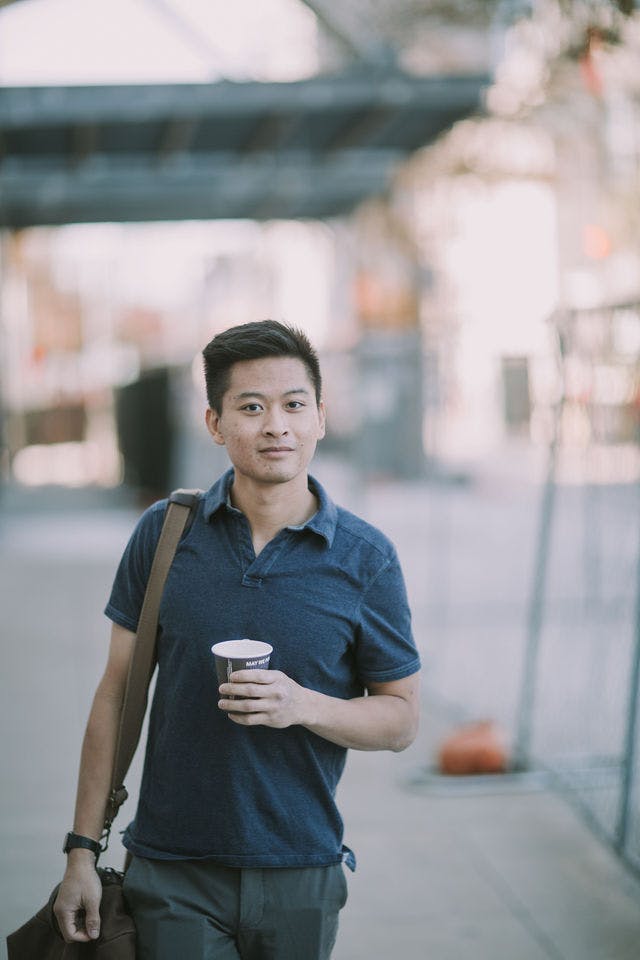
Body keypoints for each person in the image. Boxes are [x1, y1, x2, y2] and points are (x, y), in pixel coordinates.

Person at [54, 319, 421, 960]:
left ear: (321, 419)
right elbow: (116, 696)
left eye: (293, 405)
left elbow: (400, 720)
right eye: (251, 407)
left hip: (301, 867)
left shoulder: (367, 558)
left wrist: (302, 705)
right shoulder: (165, 535)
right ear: (216, 424)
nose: (276, 424)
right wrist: (82, 850)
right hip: (172, 869)